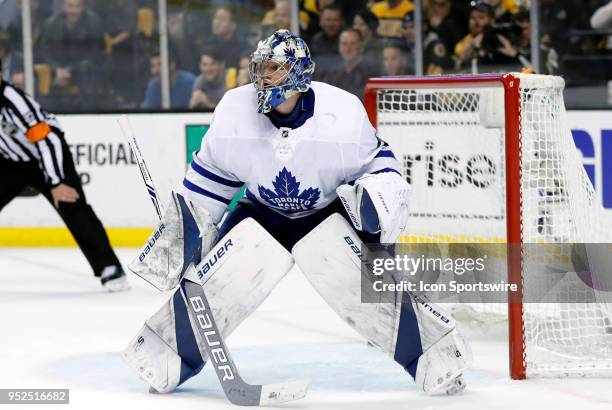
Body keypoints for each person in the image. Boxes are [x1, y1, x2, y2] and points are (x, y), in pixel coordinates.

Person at [123, 29, 472, 397]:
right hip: (261, 213)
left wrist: (375, 212)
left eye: (273, 69)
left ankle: (440, 358)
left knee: (361, 287)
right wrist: (185, 234)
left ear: (298, 74)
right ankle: (163, 357)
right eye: (258, 68)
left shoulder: (341, 114)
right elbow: (210, 181)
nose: (261, 77)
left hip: (326, 212)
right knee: (219, 280)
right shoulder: (233, 110)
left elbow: (380, 169)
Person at [0, 58, 129, 291]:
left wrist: (56, 182)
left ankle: (110, 266)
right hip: (10, 161)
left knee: (71, 204)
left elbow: (48, 140)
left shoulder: (14, 101)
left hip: (46, 156)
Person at [320, 28, 377, 99]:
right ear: (339, 47)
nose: (348, 48)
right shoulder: (331, 73)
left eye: (352, 44)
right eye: (344, 44)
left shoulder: (372, 73)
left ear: (361, 46)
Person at [310, 4, 344, 75]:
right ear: (321, 21)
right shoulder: (316, 40)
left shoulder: (347, 40)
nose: (331, 24)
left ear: (341, 21)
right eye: (327, 20)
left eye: (335, 20)